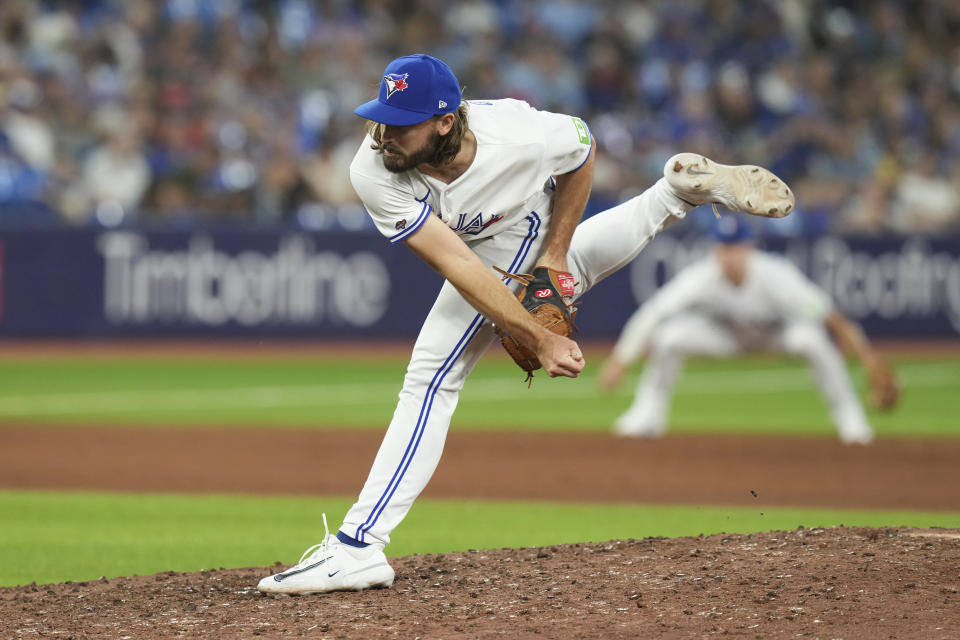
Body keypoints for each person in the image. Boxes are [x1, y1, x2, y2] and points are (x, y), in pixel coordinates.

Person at [257, 54, 795, 595]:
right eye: (382, 117)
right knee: (457, 352)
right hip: (475, 246)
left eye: (402, 123)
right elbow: (458, 264)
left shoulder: (520, 134)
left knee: (431, 379)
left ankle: (358, 547)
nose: (384, 134)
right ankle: (672, 195)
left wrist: (554, 257)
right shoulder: (373, 168)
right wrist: (534, 329)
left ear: (446, 121)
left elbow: (581, 151)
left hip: (526, 215)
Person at [597, 216, 900, 444]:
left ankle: (850, 418)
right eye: (723, 247)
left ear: (748, 248)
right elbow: (655, 311)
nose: (729, 254)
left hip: (777, 335)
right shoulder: (703, 276)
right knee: (670, 336)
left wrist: (869, 359)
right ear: (716, 250)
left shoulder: (775, 274)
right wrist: (621, 360)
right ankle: (649, 413)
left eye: (735, 247)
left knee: (811, 340)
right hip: (728, 336)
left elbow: (829, 315)